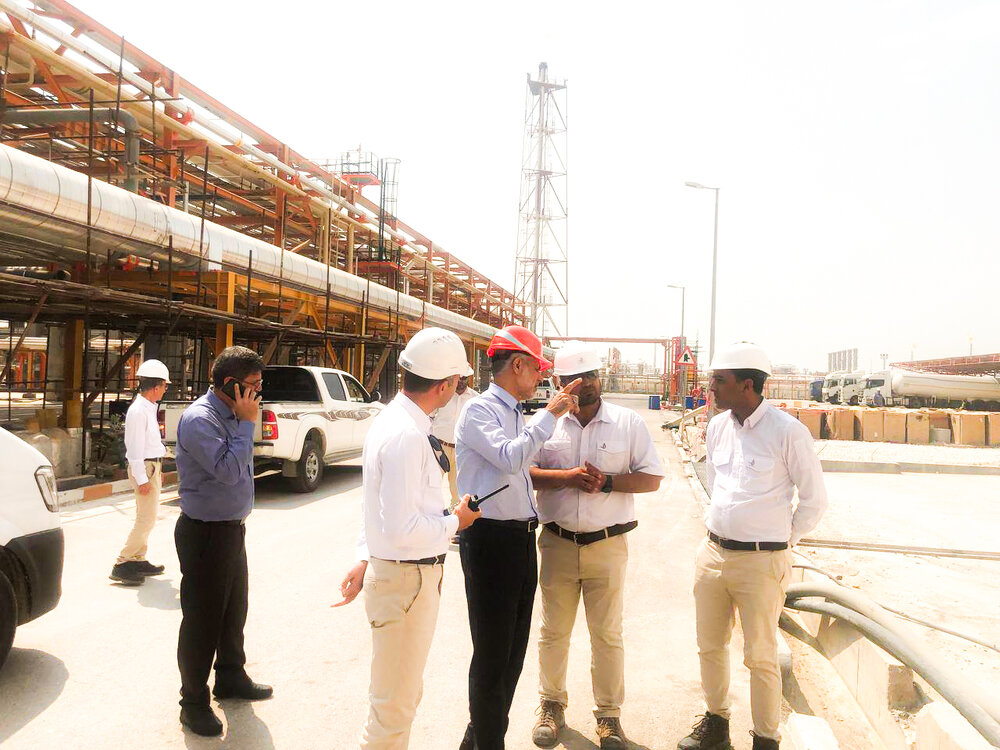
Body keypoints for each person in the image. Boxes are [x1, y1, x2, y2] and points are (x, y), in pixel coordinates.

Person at [335, 327, 481, 750]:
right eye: (457, 381)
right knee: (392, 712)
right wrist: (456, 521)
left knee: (399, 698)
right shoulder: (407, 435)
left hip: (402, 577)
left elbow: (379, 507)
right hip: (406, 582)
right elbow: (402, 528)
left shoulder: (399, 422)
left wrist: (366, 556)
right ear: (445, 385)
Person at [678, 342, 828, 750]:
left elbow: (814, 501)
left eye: (719, 380)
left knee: (761, 655)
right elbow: (717, 484)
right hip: (713, 554)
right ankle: (716, 724)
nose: (710, 387)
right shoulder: (717, 427)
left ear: (747, 385)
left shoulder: (788, 432)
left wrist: (781, 542)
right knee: (710, 645)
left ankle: (765, 739)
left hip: (763, 561)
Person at [529, 341, 665, 749]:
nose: (585, 384)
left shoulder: (627, 423)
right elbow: (523, 470)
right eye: (575, 378)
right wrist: (566, 478)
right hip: (557, 543)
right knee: (554, 631)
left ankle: (608, 716)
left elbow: (652, 478)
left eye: (591, 375)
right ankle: (551, 705)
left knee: (607, 634)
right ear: (559, 382)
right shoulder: (545, 424)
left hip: (607, 545)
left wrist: (607, 482)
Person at [455, 324, 581, 750]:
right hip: (491, 541)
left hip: (520, 540)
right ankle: (488, 742)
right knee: (493, 655)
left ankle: (478, 737)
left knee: (511, 655)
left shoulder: (513, 413)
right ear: (519, 365)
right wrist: (551, 414)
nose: (541, 377)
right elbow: (511, 459)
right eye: (537, 369)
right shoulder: (480, 411)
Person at [173, 345, 272, 737]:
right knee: (203, 622)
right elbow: (229, 472)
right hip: (205, 533)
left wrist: (244, 420)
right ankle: (193, 702)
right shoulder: (201, 419)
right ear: (230, 384)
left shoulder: (233, 413)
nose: (258, 393)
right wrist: (247, 424)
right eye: (253, 385)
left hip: (231, 529)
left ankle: (230, 676)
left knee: (233, 612)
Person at [109, 359, 171, 586]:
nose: (165, 390)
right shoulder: (138, 411)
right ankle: (123, 562)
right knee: (146, 518)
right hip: (144, 467)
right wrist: (143, 478)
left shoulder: (147, 408)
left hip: (151, 466)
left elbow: (150, 444)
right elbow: (134, 450)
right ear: (156, 386)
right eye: (164, 386)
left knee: (148, 516)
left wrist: (157, 468)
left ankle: (138, 559)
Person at [430, 375, 478, 511]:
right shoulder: (443, 394)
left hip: (461, 450)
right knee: (431, 484)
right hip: (439, 448)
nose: (461, 381)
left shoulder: (475, 399)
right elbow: (430, 415)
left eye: (464, 378)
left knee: (458, 490)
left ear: (469, 378)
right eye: (459, 378)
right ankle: (431, 514)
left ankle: (454, 518)